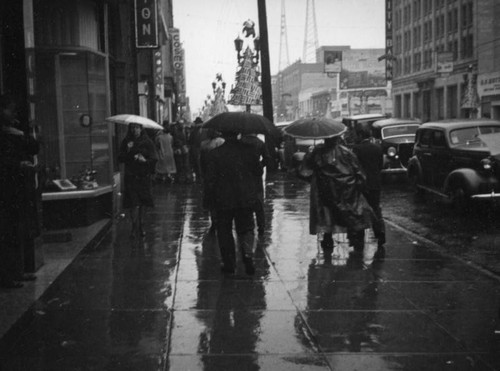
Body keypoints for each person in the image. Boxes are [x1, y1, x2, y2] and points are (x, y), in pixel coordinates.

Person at [297, 134, 374, 263]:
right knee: (351, 215)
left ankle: (327, 241)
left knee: (327, 217)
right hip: (346, 191)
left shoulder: (318, 152)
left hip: (325, 191)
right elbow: (358, 172)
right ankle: (355, 239)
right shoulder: (346, 152)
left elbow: (305, 170)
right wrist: (360, 186)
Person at [203, 131, 262, 276]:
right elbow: (259, 172)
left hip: (223, 198)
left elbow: (210, 179)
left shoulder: (215, 154)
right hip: (245, 197)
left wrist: (208, 199)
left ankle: (229, 263)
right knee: (246, 228)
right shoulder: (250, 151)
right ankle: (248, 257)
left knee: (224, 231)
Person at [0, 94, 39, 288]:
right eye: (10, 110)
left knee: (16, 231)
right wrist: (18, 165)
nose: (13, 113)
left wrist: (23, 133)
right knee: (7, 233)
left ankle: (17, 271)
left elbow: (34, 148)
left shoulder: (15, 131)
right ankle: (8, 276)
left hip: (17, 190)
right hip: (6, 191)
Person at [351, 122, 386, 257]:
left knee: (359, 212)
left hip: (361, 185)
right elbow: (380, 165)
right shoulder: (377, 148)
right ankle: (380, 235)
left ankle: (359, 239)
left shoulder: (356, 150)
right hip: (375, 184)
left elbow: (354, 168)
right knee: (375, 209)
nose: (353, 137)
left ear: (360, 134)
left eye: (355, 134)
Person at [118, 123, 157, 238]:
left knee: (143, 203)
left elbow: (154, 158)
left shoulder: (147, 142)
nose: (134, 130)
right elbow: (120, 157)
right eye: (132, 128)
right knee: (133, 203)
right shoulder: (126, 141)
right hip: (131, 177)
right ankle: (134, 227)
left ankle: (141, 225)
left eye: (137, 128)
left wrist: (144, 160)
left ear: (141, 129)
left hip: (143, 176)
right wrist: (129, 153)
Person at [240, 133, 270, 235]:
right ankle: (261, 225)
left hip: (243, 174)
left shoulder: (241, 142)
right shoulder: (260, 143)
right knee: (258, 200)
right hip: (256, 174)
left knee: (244, 199)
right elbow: (267, 158)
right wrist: (261, 165)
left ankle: (248, 225)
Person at [200, 128, 225, 233]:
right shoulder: (222, 142)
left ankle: (214, 220)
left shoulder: (204, 144)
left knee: (211, 199)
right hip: (221, 174)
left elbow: (202, 161)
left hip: (209, 174)